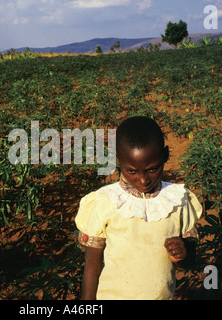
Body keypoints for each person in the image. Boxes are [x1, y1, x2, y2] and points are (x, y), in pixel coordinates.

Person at [75, 116, 202, 300]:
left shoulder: (177, 200)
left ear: (165, 155)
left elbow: (189, 261)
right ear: (118, 160)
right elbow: (92, 269)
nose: (143, 180)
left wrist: (182, 252)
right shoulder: (105, 201)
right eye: (131, 171)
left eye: (152, 169)